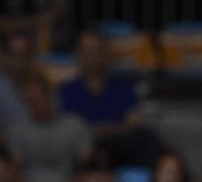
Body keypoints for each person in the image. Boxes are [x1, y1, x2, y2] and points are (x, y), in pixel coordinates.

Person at [58, 30, 165, 168]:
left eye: (96, 50)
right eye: (85, 50)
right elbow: (69, 129)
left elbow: (132, 124)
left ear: (107, 54)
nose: (90, 56)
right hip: (83, 147)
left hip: (120, 146)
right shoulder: (67, 90)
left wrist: (98, 130)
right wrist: (114, 128)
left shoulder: (123, 88)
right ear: (77, 55)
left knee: (146, 137)